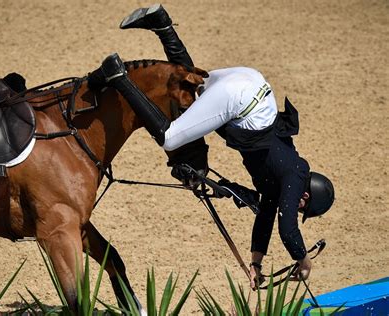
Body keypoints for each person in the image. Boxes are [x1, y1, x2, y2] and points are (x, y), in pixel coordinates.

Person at [88, 4, 335, 289]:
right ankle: (119, 77)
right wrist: (304, 261)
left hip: (251, 83)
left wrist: (256, 264)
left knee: (192, 89)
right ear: (306, 194)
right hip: (241, 99)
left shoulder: (279, 181)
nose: (295, 206)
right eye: (301, 205)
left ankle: (161, 23)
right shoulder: (295, 176)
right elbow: (287, 228)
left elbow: (266, 219)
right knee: (170, 137)